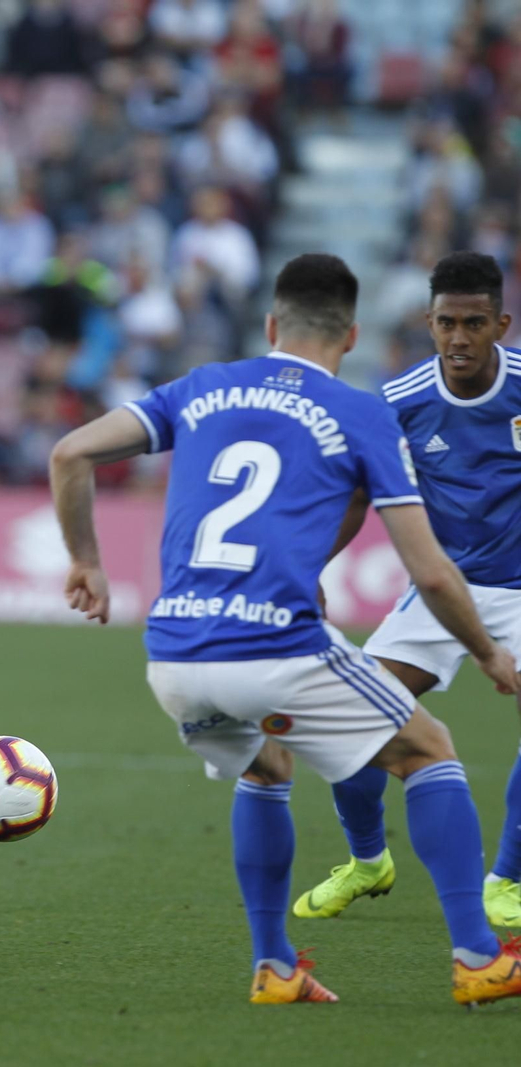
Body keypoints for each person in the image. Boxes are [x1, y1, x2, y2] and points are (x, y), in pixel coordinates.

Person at [48, 252, 521, 1006]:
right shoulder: (362, 410)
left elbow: (70, 451)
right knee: (428, 750)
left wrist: (85, 561)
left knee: (266, 767)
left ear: (270, 325)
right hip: (273, 644)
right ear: (352, 335)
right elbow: (432, 574)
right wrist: (488, 652)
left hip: (173, 653)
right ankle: (477, 958)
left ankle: (273, 966)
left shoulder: (199, 385)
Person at [295, 251, 521, 928]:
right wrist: (307, 567)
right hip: (442, 590)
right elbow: (356, 495)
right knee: (355, 720)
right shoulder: (400, 401)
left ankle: (507, 880)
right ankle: (368, 861)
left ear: (501, 324)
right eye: (447, 323)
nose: (459, 337)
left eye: (474, 323)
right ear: (429, 322)